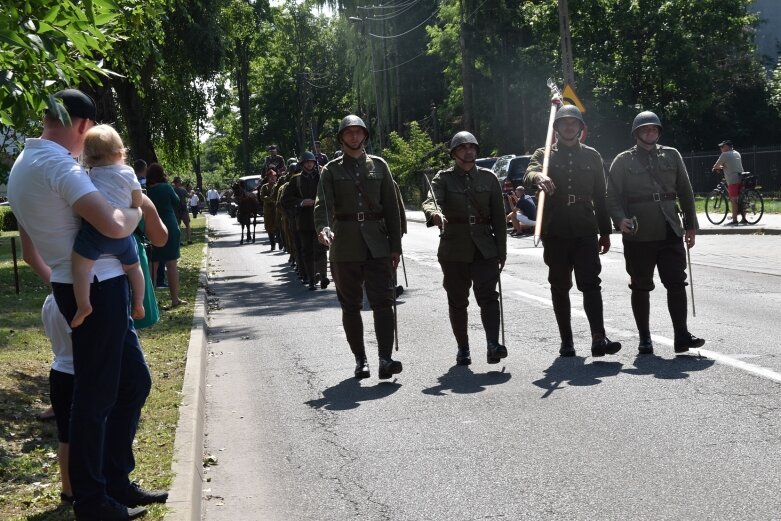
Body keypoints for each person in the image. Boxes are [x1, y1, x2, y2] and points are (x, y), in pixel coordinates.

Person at [8, 88, 166, 519]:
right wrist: (139, 211)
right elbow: (114, 225)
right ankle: (92, 502)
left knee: (133, 383)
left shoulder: (25, 163)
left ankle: (115, 482)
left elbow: (31, 244)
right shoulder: (57, 164)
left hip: (87, 284)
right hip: (99, 288)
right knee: (94, 399)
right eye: (89, 135)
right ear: (82, 125)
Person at [525, 105, 621, 358]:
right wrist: (538, 178)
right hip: (555, 229)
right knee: (559, 285)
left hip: (584, 228)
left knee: (591, 284)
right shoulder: (544, 154)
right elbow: (529, 172)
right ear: (556, 128)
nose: (569, 127)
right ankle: (566, 341)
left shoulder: (592, 156)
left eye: (573, 123)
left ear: (580, 128)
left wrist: (605, 231)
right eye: (564, 123)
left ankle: (598, 338)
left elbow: (601, 196)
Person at [606, 110, 705, 355]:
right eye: (645, 129)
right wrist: (620, 220)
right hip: (639, 233)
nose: (650, 132)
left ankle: (681, 336)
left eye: (653, 129)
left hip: (670, 228)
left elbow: (685, 190)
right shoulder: (623, 160)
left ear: (658, 132)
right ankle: (645, 338)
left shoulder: (672, 155)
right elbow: (612, 196)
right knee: (640, 286)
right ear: (636, 132)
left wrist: (691, 226)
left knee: (676, 283)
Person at [315, 115, 403, 380]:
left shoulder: (380, 166)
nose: (354, 137)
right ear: (342, 137)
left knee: (383, 303)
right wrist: (323, 228)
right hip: (344, 245)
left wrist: (395, 246)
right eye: (349, 133)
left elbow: (392, 208)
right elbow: (324, 206)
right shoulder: (330, 170)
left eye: (358, 132)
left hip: (377, 244)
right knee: (351, 306)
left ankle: (385, 359)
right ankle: (360, 360)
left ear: (365, 135)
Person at [421, 131, 508, 366]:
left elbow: (499, 219)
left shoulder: (489, 178)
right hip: (454, 248)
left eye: (472, 147)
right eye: (462, 148)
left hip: (484, 248)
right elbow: (432, 200)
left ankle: (492, 344)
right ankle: (463, 348)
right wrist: (434, 214)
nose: (468, 151)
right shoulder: (443, 178)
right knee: (458, 300)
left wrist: (501, 250)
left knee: (489, 298)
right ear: (454, 153)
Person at [70, 124, 145, 328]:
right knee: (134, 267)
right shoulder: (129, 172)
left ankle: (84, 305)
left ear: (87, 157)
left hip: (96, 233)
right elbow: (137, 201)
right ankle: (138, 301)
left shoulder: (88, 175)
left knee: (80, 268)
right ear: (121, 153)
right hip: (124, 238)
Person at [282, 151, 329, 290]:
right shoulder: (295, 180)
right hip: (303, 221)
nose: (310, 164)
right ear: (302, 164)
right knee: (307, 250)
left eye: (312, 162)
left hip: (319, 218)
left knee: (321, 248)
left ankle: (324, 276)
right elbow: (286, 200)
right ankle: (312, 279)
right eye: (307, 162)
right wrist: (302, 202)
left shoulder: (322, 177)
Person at [146, 163, 187, 309]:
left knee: (153, 264)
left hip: (153, 226)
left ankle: (151, 301)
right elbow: (176, 201)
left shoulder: (147, 191)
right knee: (171, 263)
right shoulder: (167, 188)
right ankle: (175, 299)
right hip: (170, 224)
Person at [712, 139, 746, 225]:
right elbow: (732, 164)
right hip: (741, 178)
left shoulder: (725, 154)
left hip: (732, 179)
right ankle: (744, 218)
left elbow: (716, 166)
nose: (721, 148)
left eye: (722, 146)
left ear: (727, 147)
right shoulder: (737, 153)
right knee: (742, 199)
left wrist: (716, 168)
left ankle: (734, 220)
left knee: (733, 199)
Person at [259, 169, 280, 250]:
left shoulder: (278, 186)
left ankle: (281, 244)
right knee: (269, 228)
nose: (272, 178)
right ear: (268, 178)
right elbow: (262, 196)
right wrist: (269, 199)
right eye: (270, 177)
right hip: (268, 210)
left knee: (279, 227)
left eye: (274, 177)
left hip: (277, 210)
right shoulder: (265, 186)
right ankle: (272, 244)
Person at [172, 176, 191, 245]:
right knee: (187, 225)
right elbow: (189, 196)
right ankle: (189, 239)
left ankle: (179, 241)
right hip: (184, 209)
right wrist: (192, 192)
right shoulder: (183, 190)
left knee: (178, 226)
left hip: (175, 210)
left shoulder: (172, 190)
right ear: (179, 182)